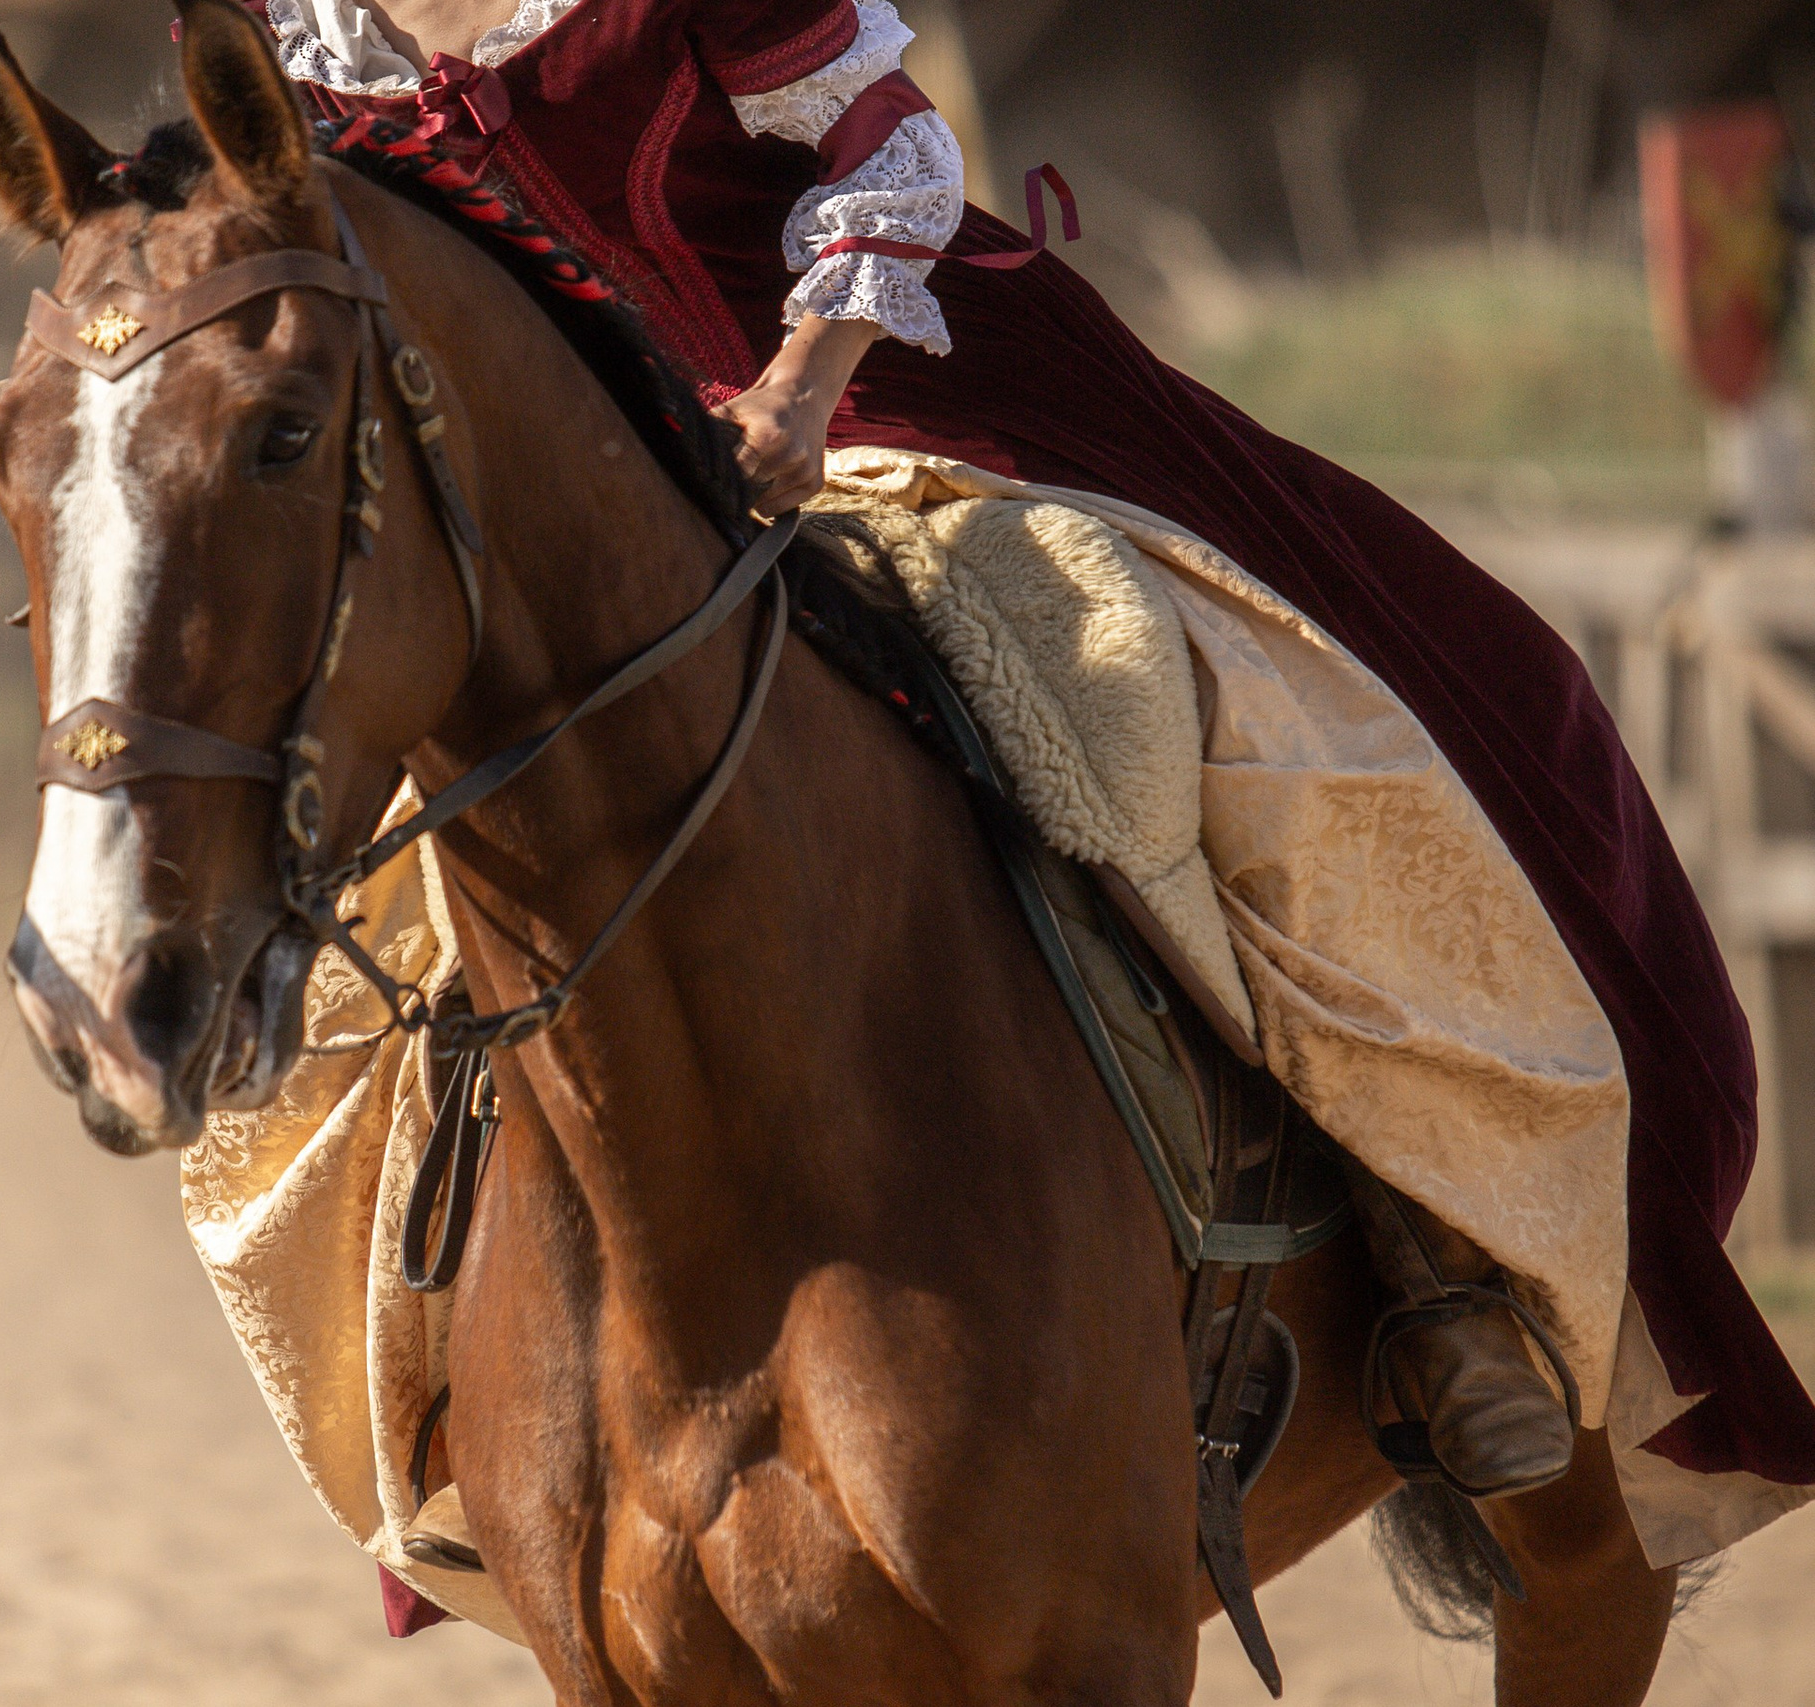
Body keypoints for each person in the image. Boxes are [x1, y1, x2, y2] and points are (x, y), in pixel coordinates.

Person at [253, 0, 1815, 1520]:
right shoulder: (289, 26)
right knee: (382, 842)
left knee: (1131, 716)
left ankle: (1432, 1256)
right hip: (586, 508)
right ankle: (423, 1350)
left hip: (889, 394)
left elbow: (892, 156)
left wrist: (797, 396)